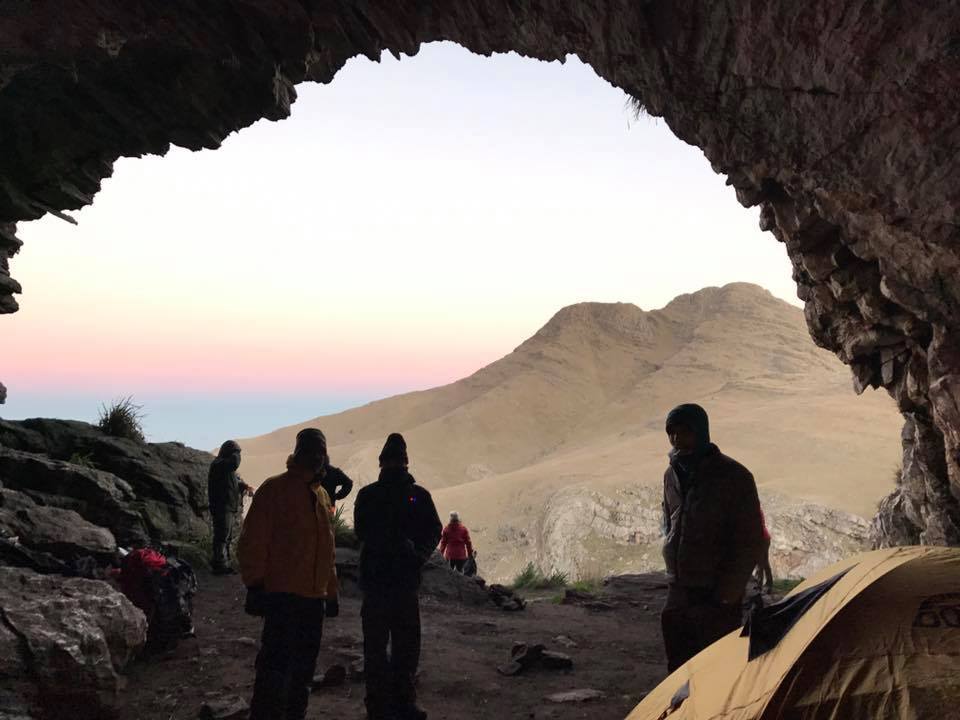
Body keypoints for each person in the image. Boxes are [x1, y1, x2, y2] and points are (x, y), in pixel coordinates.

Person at [237, 428, 338, 720]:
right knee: (273, 670)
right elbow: (252, 541)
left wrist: (330, 593)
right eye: (312, 451)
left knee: (303, 671)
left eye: (321, 452)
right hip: (282, 597)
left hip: (313, 601)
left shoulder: (321, 495)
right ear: (299, 453)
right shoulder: (274, 489)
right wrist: (255, 584)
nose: (317, 458)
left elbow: (326, 550)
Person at [659, 403, 765, 672]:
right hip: (680, 583)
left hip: (716, 587)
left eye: (684, 432)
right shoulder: (671, 474)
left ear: (701, 432)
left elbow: (749, 538)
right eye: (671, 432)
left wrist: (729, 592)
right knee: (678, 659)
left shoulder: (733, 476)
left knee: (715, 662)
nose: (676, 439)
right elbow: (668, 518)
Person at [354, 433, 442, 720]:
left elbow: (361, 533)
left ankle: (384, 705)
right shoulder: (412, 495)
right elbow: (432, 531)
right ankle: (397, 704)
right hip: (396, 581)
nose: (394, 466)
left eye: (396, 461)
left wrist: (416, 555)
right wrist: (416, 555)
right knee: (398, 646)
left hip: (385, 581)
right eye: (394, 461)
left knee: (386, 647)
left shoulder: (371, 495)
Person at [207, 440, 252, 574]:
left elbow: (235, 481)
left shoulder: (225, 468)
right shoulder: (219, 464)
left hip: (228, 506)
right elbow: (233, 464)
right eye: (234, 452)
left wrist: (244, 486)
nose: (237, 456)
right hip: (222, 506)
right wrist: (236, 452)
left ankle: (224, 563)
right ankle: (219, 564)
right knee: (222, 536)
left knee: (226, 536)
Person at [755, 508, 774, 593]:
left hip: (761, 539)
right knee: (765, 562)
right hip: (765, 538)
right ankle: (769, 584)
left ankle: (758, 587)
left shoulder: (755, 511)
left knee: (760, 562)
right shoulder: (758, 510)